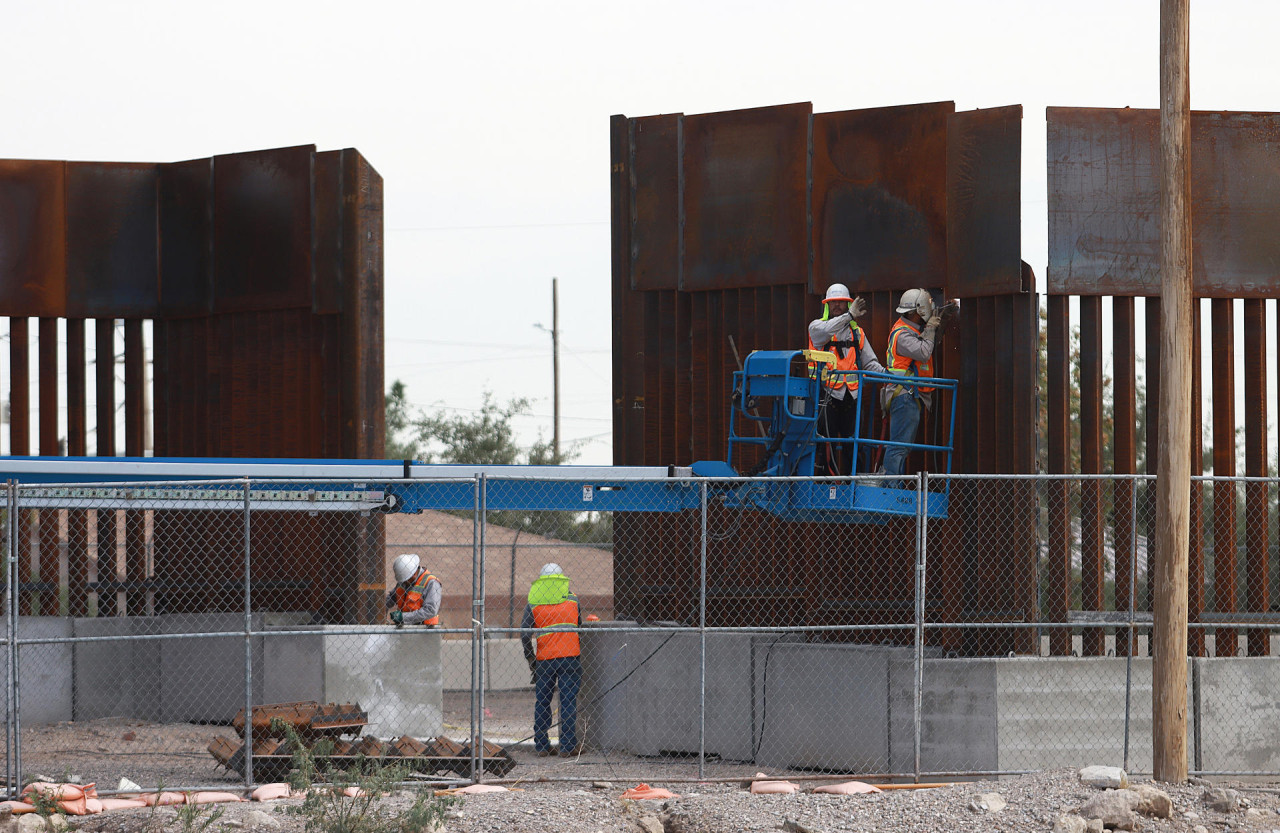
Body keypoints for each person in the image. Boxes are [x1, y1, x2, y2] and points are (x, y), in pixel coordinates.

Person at [807, 282, 886, 476]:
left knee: (854, 447)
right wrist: (848, 316)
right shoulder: (817, 327)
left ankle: (854, 487)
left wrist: (889, 376)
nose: (837, 306)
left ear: (847, 304)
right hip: (826, 397)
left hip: (852, 398)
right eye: (833, 302)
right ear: (826, 305)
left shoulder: (857, 333)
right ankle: (826, 489)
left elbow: (870, 363)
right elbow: (827, 331)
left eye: (841, 302)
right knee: (826, 447)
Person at [881, 288, 942, 484]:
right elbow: (924, 352)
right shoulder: (904, 335)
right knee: (899, 446)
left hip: (908, 395)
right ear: (918, 310)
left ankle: (893, 484)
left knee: (903, 446)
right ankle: (891, 486)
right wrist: (931, 329)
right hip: (904, 395)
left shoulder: (911, 330)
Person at [521, 563, 582, 757]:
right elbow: (580, 626)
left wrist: (531, 658)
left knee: (542, 701)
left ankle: (541, 745)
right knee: (568, 701)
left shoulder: (533, 602)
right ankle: (567, 746)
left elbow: (524, 634)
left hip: (545, 659)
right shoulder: (573, 599)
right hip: (570, 657)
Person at [386, 553, 441, 627]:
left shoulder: (431, 583)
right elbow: (392, 598)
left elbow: (430, 610)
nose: (404, 583)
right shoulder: (403, 581)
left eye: (406, 579)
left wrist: (403, 617)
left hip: (424, 630)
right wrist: (380, 607)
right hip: (404, 629)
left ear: (414, 573)